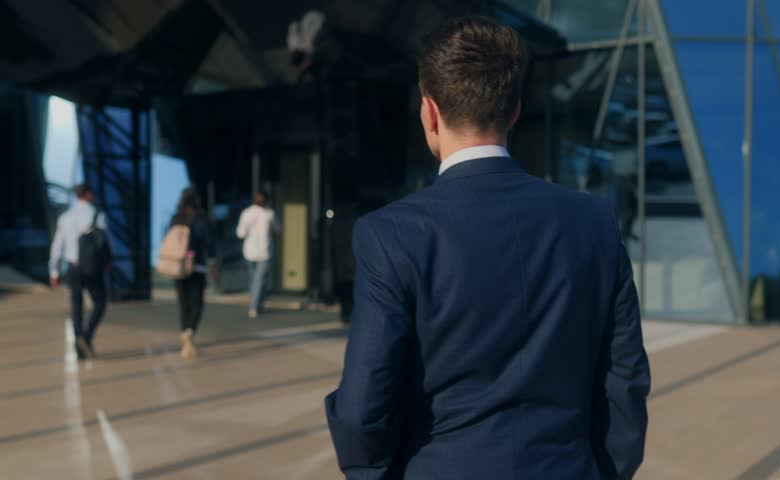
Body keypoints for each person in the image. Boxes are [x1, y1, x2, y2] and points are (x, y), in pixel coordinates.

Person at [325, 17, 650, 480]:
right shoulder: (594, 222)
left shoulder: (390, 234)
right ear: (515, 111)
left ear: (430, 113)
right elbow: (625, 382)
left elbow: (363, 408)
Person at [49, 183, 109, 360]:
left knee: (76, 306)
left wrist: (53, 271)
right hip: (92, 267)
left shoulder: (65, 217)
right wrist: (108, 262)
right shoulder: (98, 216)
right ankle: (87, 335)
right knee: (100, 302)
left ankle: (78, 343)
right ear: (89, 195)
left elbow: (57, 245)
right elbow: (107, 243)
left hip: (73, 267)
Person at [170, 187, 217, 359]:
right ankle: (190, 332)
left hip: (179, 267)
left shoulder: (176, 219)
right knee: (197, 303)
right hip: (197, 267)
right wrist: (213, 264)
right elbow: (210, 244)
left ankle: (185, 335)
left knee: (183, 304)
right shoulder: (202, 220)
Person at [236, 191, 279, 318]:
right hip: (258, 251)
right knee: (257, 280)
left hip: (257, 252)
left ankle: (254, 305)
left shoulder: (262, 214)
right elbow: (277, 229)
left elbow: (240, 233)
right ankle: (257, 304)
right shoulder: (258, 214)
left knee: (257, 280)